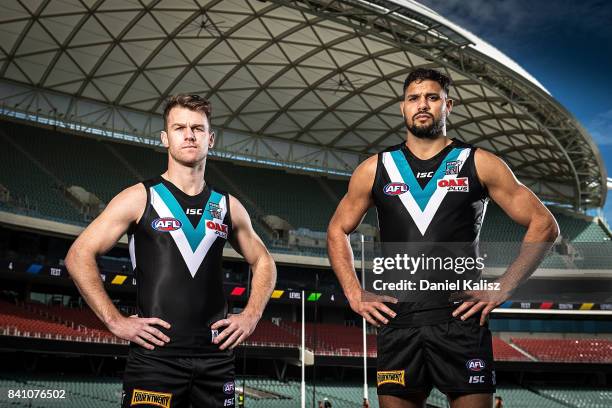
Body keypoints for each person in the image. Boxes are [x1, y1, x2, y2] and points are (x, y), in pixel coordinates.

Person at [327, 68, 558, 408]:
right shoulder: (375, 168)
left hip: (461, 320)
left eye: (432, 98)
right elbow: (336, 230)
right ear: (402, 107)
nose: (422, 105)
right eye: (413, 98)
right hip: (398, 320)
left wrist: (503, 287)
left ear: (448, 105)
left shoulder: (479, 163)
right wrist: (354, 293)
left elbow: (544, 224)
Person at [65, 94, 276, 407]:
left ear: (211, 138)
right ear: (166, 138)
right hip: (155, 360)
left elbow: (264, 261)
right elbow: (78, 255)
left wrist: (251, 315)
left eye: (197, 128)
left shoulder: (228, 206)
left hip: (216, 360)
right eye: (179, 128)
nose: (189, 135)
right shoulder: (140, 197)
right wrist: (115, 321)